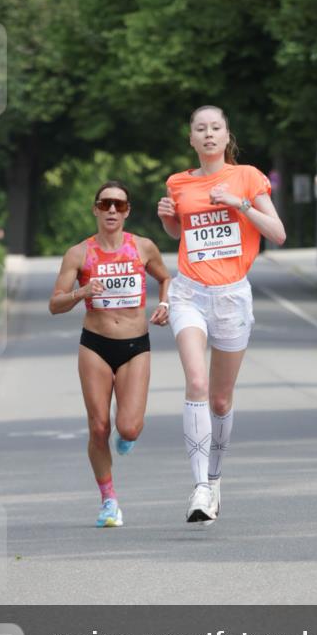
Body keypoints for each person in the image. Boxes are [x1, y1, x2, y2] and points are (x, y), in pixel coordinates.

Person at [157, 106, 286, 525]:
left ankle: (213, 480)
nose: (208, 135)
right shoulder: (178, 182)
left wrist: (240, 203)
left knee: (220, 398)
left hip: (231, 296)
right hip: (189, 293)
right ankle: (197, 489)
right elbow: (183, 234)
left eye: (215, 128)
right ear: (191, 139)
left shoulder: (247, 177)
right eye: (200, 129)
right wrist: (169, 222)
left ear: (227, 136)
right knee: (195, 380)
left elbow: (278, 234)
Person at [49, 181, 171, 528]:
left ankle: (126, 435)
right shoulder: (79, 254)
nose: (112, 211)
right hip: (95, 345)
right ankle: (109, 501)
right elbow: (54, 304)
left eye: (119, 205)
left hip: (135, 346)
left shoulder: (143, 247)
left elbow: (165, 278)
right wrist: (81, 291)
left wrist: (164, 303)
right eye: (105, 205)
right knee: (98, 426)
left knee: (129, 428)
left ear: (128, 210)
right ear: (96, 209)